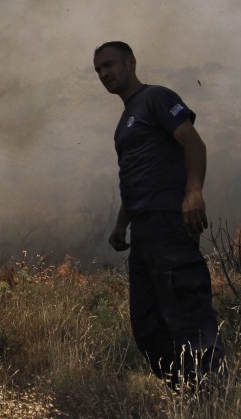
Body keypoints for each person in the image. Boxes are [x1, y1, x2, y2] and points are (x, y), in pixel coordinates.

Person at [93, 41, 224, 386]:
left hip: (170, 220)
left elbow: (194, 144)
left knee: (187, 313)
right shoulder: (124, 124)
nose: (104, 74)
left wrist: (193, 192)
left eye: (109, 65)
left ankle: (214, 394)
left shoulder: (157, 98)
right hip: (143, 232)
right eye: (98, 70)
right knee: (148, 327)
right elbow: (136, 178)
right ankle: (186, 393)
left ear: (131, 62)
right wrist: (122, 224)